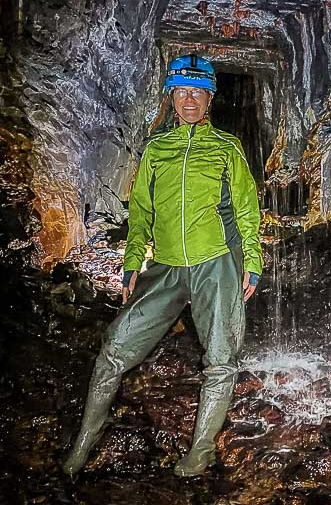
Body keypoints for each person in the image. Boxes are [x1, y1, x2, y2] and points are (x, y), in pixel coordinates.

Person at [62, 54, 263, 477]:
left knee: (221, 359)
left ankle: (201, 451)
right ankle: (82, 443)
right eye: (181, 92)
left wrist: (253, 261)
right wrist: (133, 261)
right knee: (114, 350)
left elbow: (246, 208)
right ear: (171, 97)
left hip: (217, 264)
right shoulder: (157, 149)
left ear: (209, 97)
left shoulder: (227, 148)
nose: (189, 100)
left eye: (197, 92)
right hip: (167, 267)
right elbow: (141, 212)